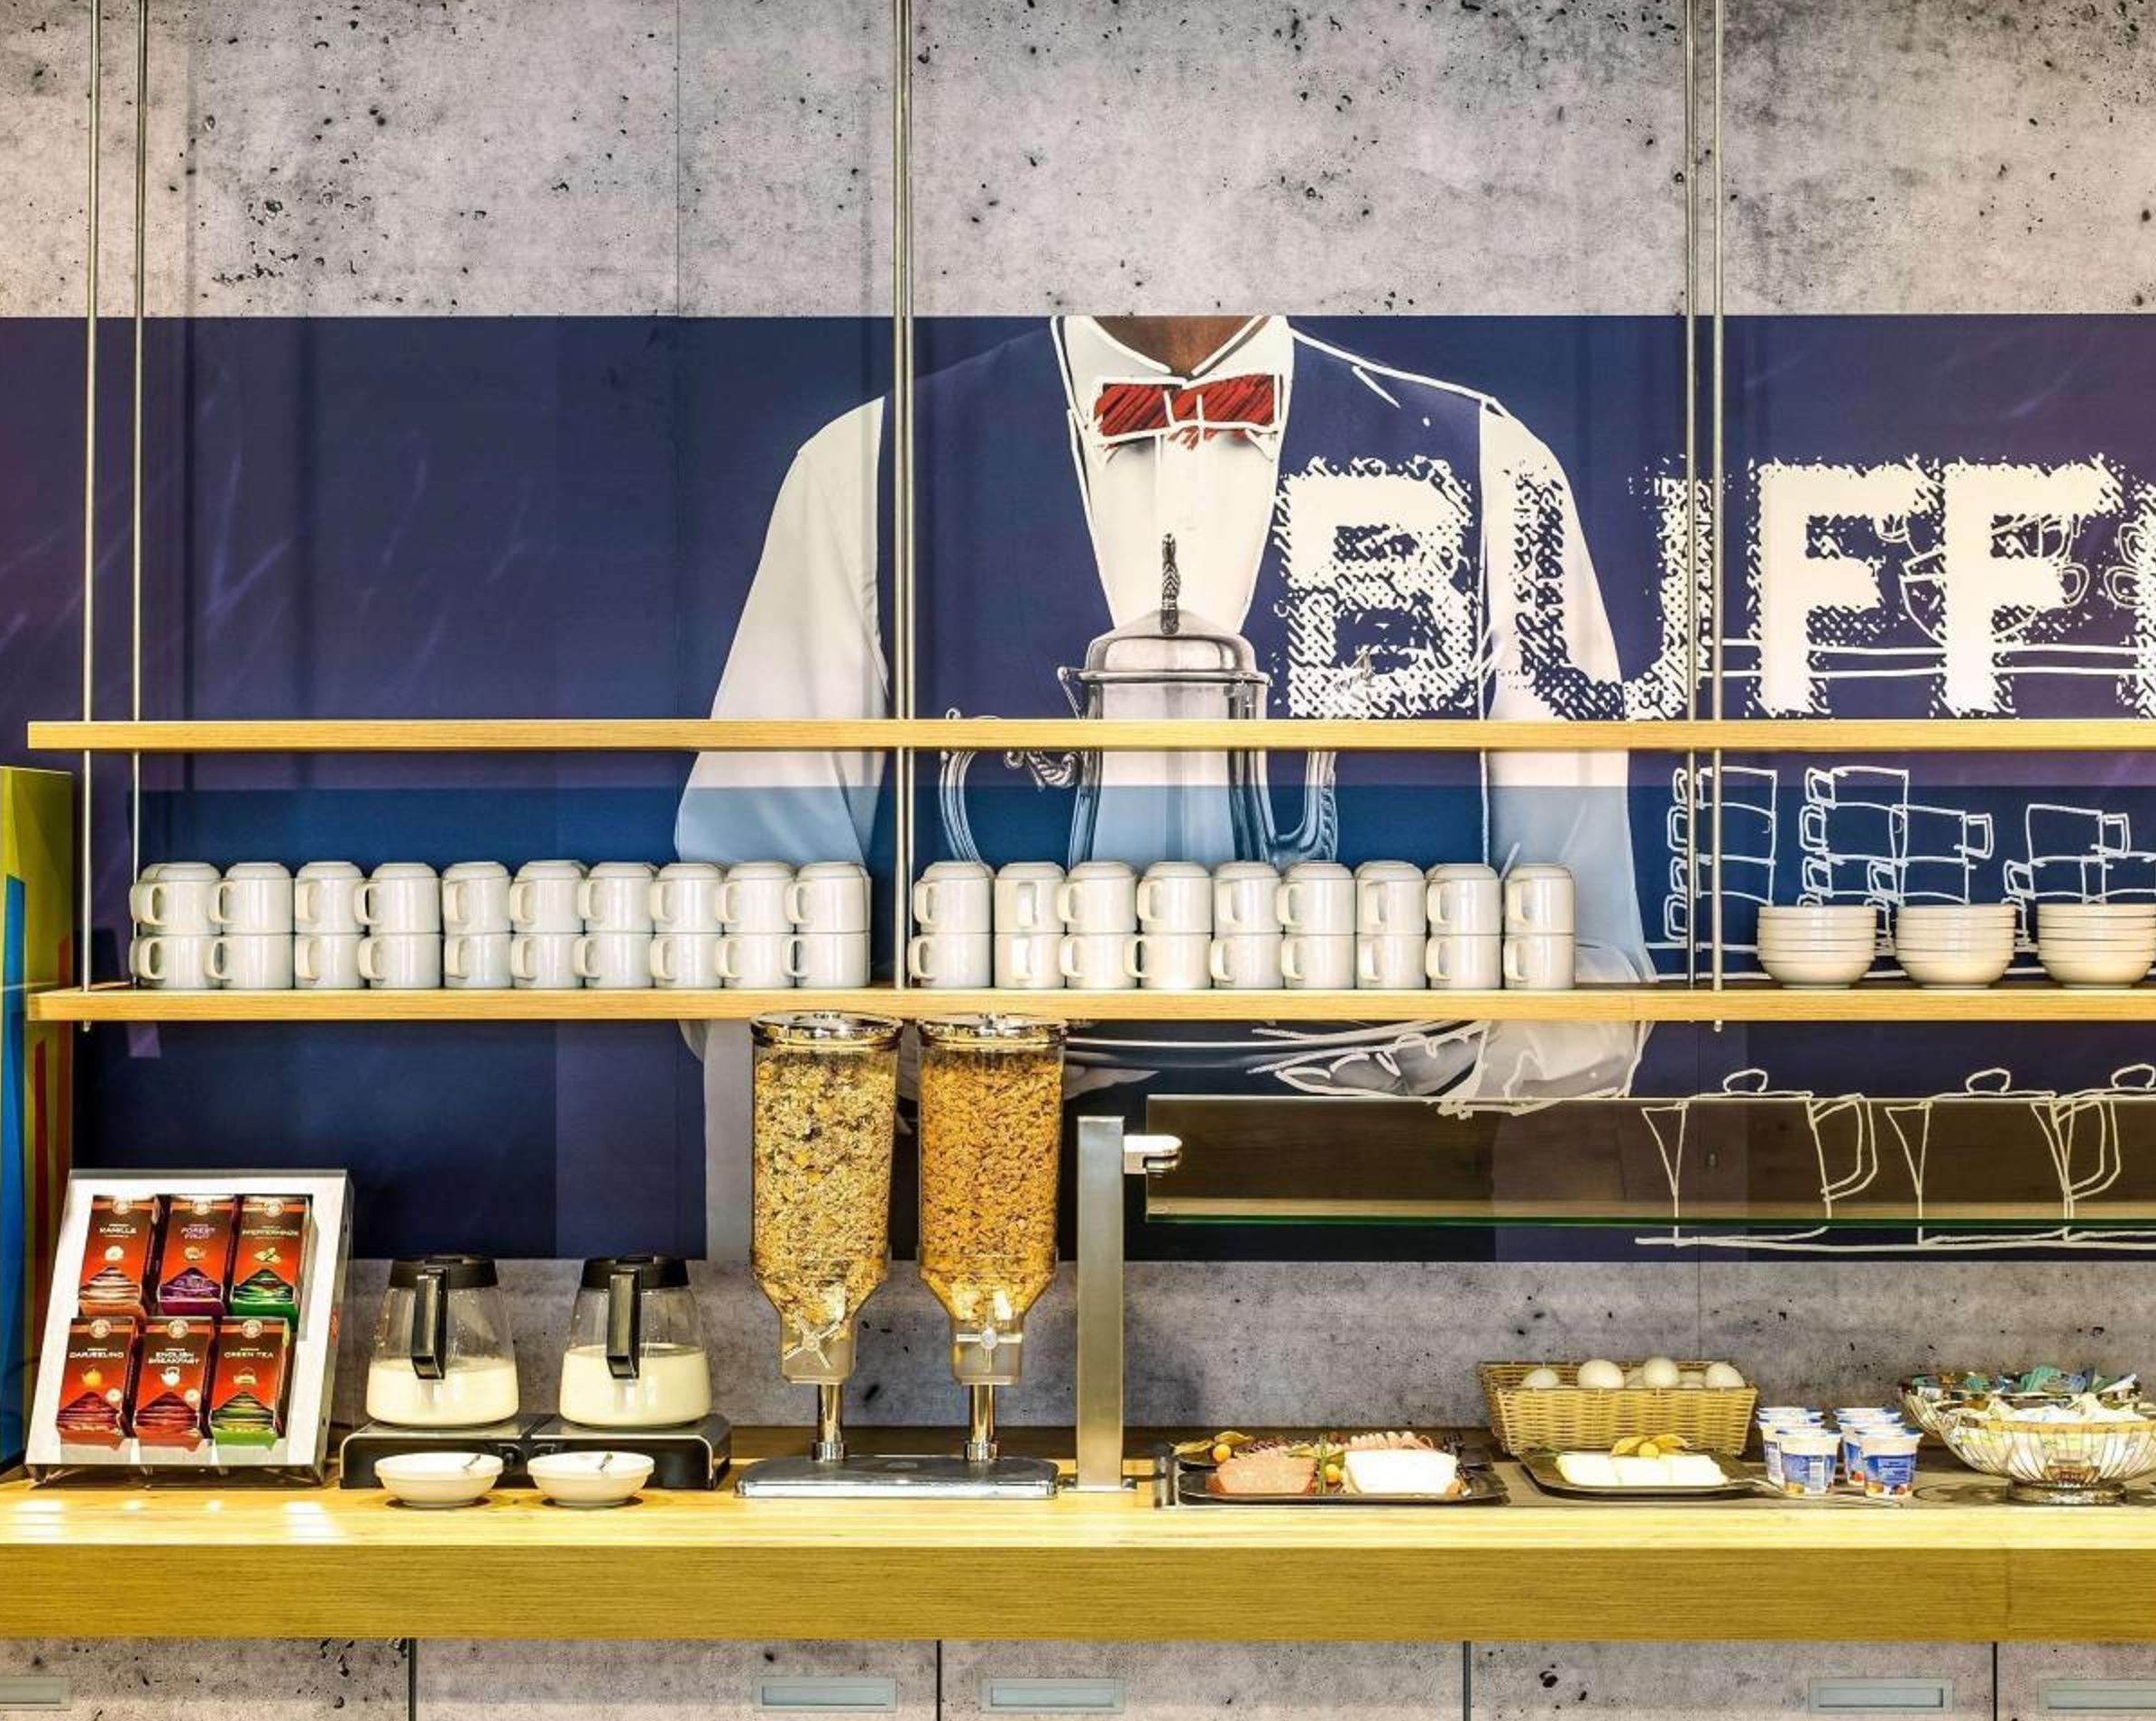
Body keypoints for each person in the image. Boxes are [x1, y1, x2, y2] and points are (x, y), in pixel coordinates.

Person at [676, 315, 1653, 1224]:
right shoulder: (869, 465)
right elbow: (755, 925)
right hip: (980, 1202)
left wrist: (1439, 1077)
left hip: (1377, 1201)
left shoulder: (1490, 463)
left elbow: (1590, 946)